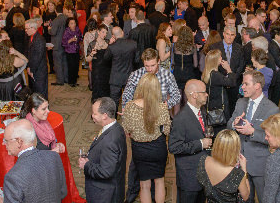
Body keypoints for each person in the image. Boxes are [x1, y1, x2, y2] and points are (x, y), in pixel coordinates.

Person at [226, 70, 280, 202]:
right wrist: (234, 123)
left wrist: (253, 132)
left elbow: (276, 140)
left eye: (246, 84)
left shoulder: (272, 109)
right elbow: (229, 125)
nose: (242, 87)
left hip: (260, 165)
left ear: (257, 86)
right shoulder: (240, 102)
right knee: (244, 199)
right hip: (239, 162)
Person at [122, 74, 172, 203]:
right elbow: (167, 130)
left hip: (139, 150)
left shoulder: (130, 107)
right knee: (160, 181)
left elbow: (126, 131)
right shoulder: (161, 107)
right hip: (158, 148)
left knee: (144, 185)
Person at [0, 119, 67, 203]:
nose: (3, 144)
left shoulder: (12, 177)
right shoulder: (54, 156)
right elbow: (63, 193)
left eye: (6, 140)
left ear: (19, 142)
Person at [169, 79, 212, 203]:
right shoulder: (180, 119)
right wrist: (200, 144)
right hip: (189, 177)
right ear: (194, 95)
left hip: (203, 172)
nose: (207, 94)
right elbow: (174, 147)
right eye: (204, 92)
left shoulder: (202, 112)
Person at [79, 98, 127, 203]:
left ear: (105, 115)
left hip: (105, 195)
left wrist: (86, 165)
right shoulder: (116, 127)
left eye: (94, 113)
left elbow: (106, 172)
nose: (92, 116)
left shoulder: (110, 141)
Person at [197, 129, 250, 202]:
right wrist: (244, 169)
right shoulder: (236, 174)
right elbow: (246, 196)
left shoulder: (203, 160)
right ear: (235, 148)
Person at [209, 26, 246, 113]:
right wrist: (225, 80)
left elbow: (241, 66)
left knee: (234, 107)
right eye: (227, 34)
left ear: (235, 36)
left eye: (232, 35)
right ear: (223, 34)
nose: (229, 37)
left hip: (234, 84)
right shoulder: (214, 47)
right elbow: (212, 66)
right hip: (220, 83)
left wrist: (232, 78)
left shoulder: (239, 48)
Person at [0, 40, 28, 109]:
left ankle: (2, 117)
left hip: (0, 87)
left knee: (1, 108)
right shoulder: (14, 60)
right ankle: (14, 118)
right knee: (13, 108)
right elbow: (26, 61)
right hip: (12, 87)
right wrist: (16, 52)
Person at [105, 27, 138, 104]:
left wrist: (109, 44)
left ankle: (114, 116)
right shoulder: (133, 44)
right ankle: (128, 116)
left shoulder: (112, 47)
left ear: (113, 36)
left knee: (114, 102)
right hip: (129, 76)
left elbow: (106, 59)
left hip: (115, 78)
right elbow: (137, 60)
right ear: (122, 32)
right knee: (129, 101)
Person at [87, 25, 112, 101]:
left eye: (106, 33)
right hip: (97, 70)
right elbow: (87, 59)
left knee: (106, 88)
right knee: (97, 88)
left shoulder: (108, 42)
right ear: (98, 32)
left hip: (107, 69)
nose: (104, 34)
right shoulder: (92, 44)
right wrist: (92, 54)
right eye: (103, 32)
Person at [26, 19, 48, 98]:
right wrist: (29, 67)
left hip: (39, 70)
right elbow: (30, 54)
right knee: (35, 92)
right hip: (35, 69)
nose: (26, 30)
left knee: (41, 93)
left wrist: (32, 70)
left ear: (33, 28)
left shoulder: (39, 39)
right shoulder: (32, 37)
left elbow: (37, 57)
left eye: (27, 29)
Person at [173, 26, 199, 94]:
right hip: (189, 74)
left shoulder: (174, 46)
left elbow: (172, 62)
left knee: (177, 99)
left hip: (177, 74)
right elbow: (196, 65)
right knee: (187, 98)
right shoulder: (193, 47)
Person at [48, 4, 69, 85]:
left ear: (56, 11)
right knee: (65, 62)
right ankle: (66, 78)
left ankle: (60, 80)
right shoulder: (66, 18)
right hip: (66, 43)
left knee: (57, 63)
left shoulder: (56, 20)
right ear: (63, 10)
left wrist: (49, 29)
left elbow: (53, 32)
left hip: (57, 43)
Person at [61, 17, 83, 86]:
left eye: (74, 23)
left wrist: (79, 40)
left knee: (76, 66)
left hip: (76, 50)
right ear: (68, 25)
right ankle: (71, 82)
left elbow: (80, 38)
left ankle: (75, 81)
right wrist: (71, 40)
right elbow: (63, 43)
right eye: (71, 23)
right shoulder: (66, 32)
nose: (73, 25)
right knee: (71, 67)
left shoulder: (77, 30)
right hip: (69, 52)